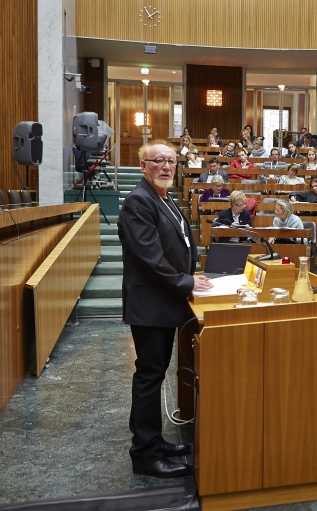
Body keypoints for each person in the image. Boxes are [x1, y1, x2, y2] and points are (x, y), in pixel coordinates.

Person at [118, 140, 213, 478]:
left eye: (171, 161)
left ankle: (155, 442)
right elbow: (149, 257)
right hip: (150, 304)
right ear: (143, 166)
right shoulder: (138, 202)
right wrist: (185, 282)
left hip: (164, 300)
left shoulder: (164, 197)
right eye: (157, 161)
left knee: (155, 373)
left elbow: (178, 245)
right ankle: (144, 454)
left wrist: (189, 275)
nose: (166, 166)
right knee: (149, 376)